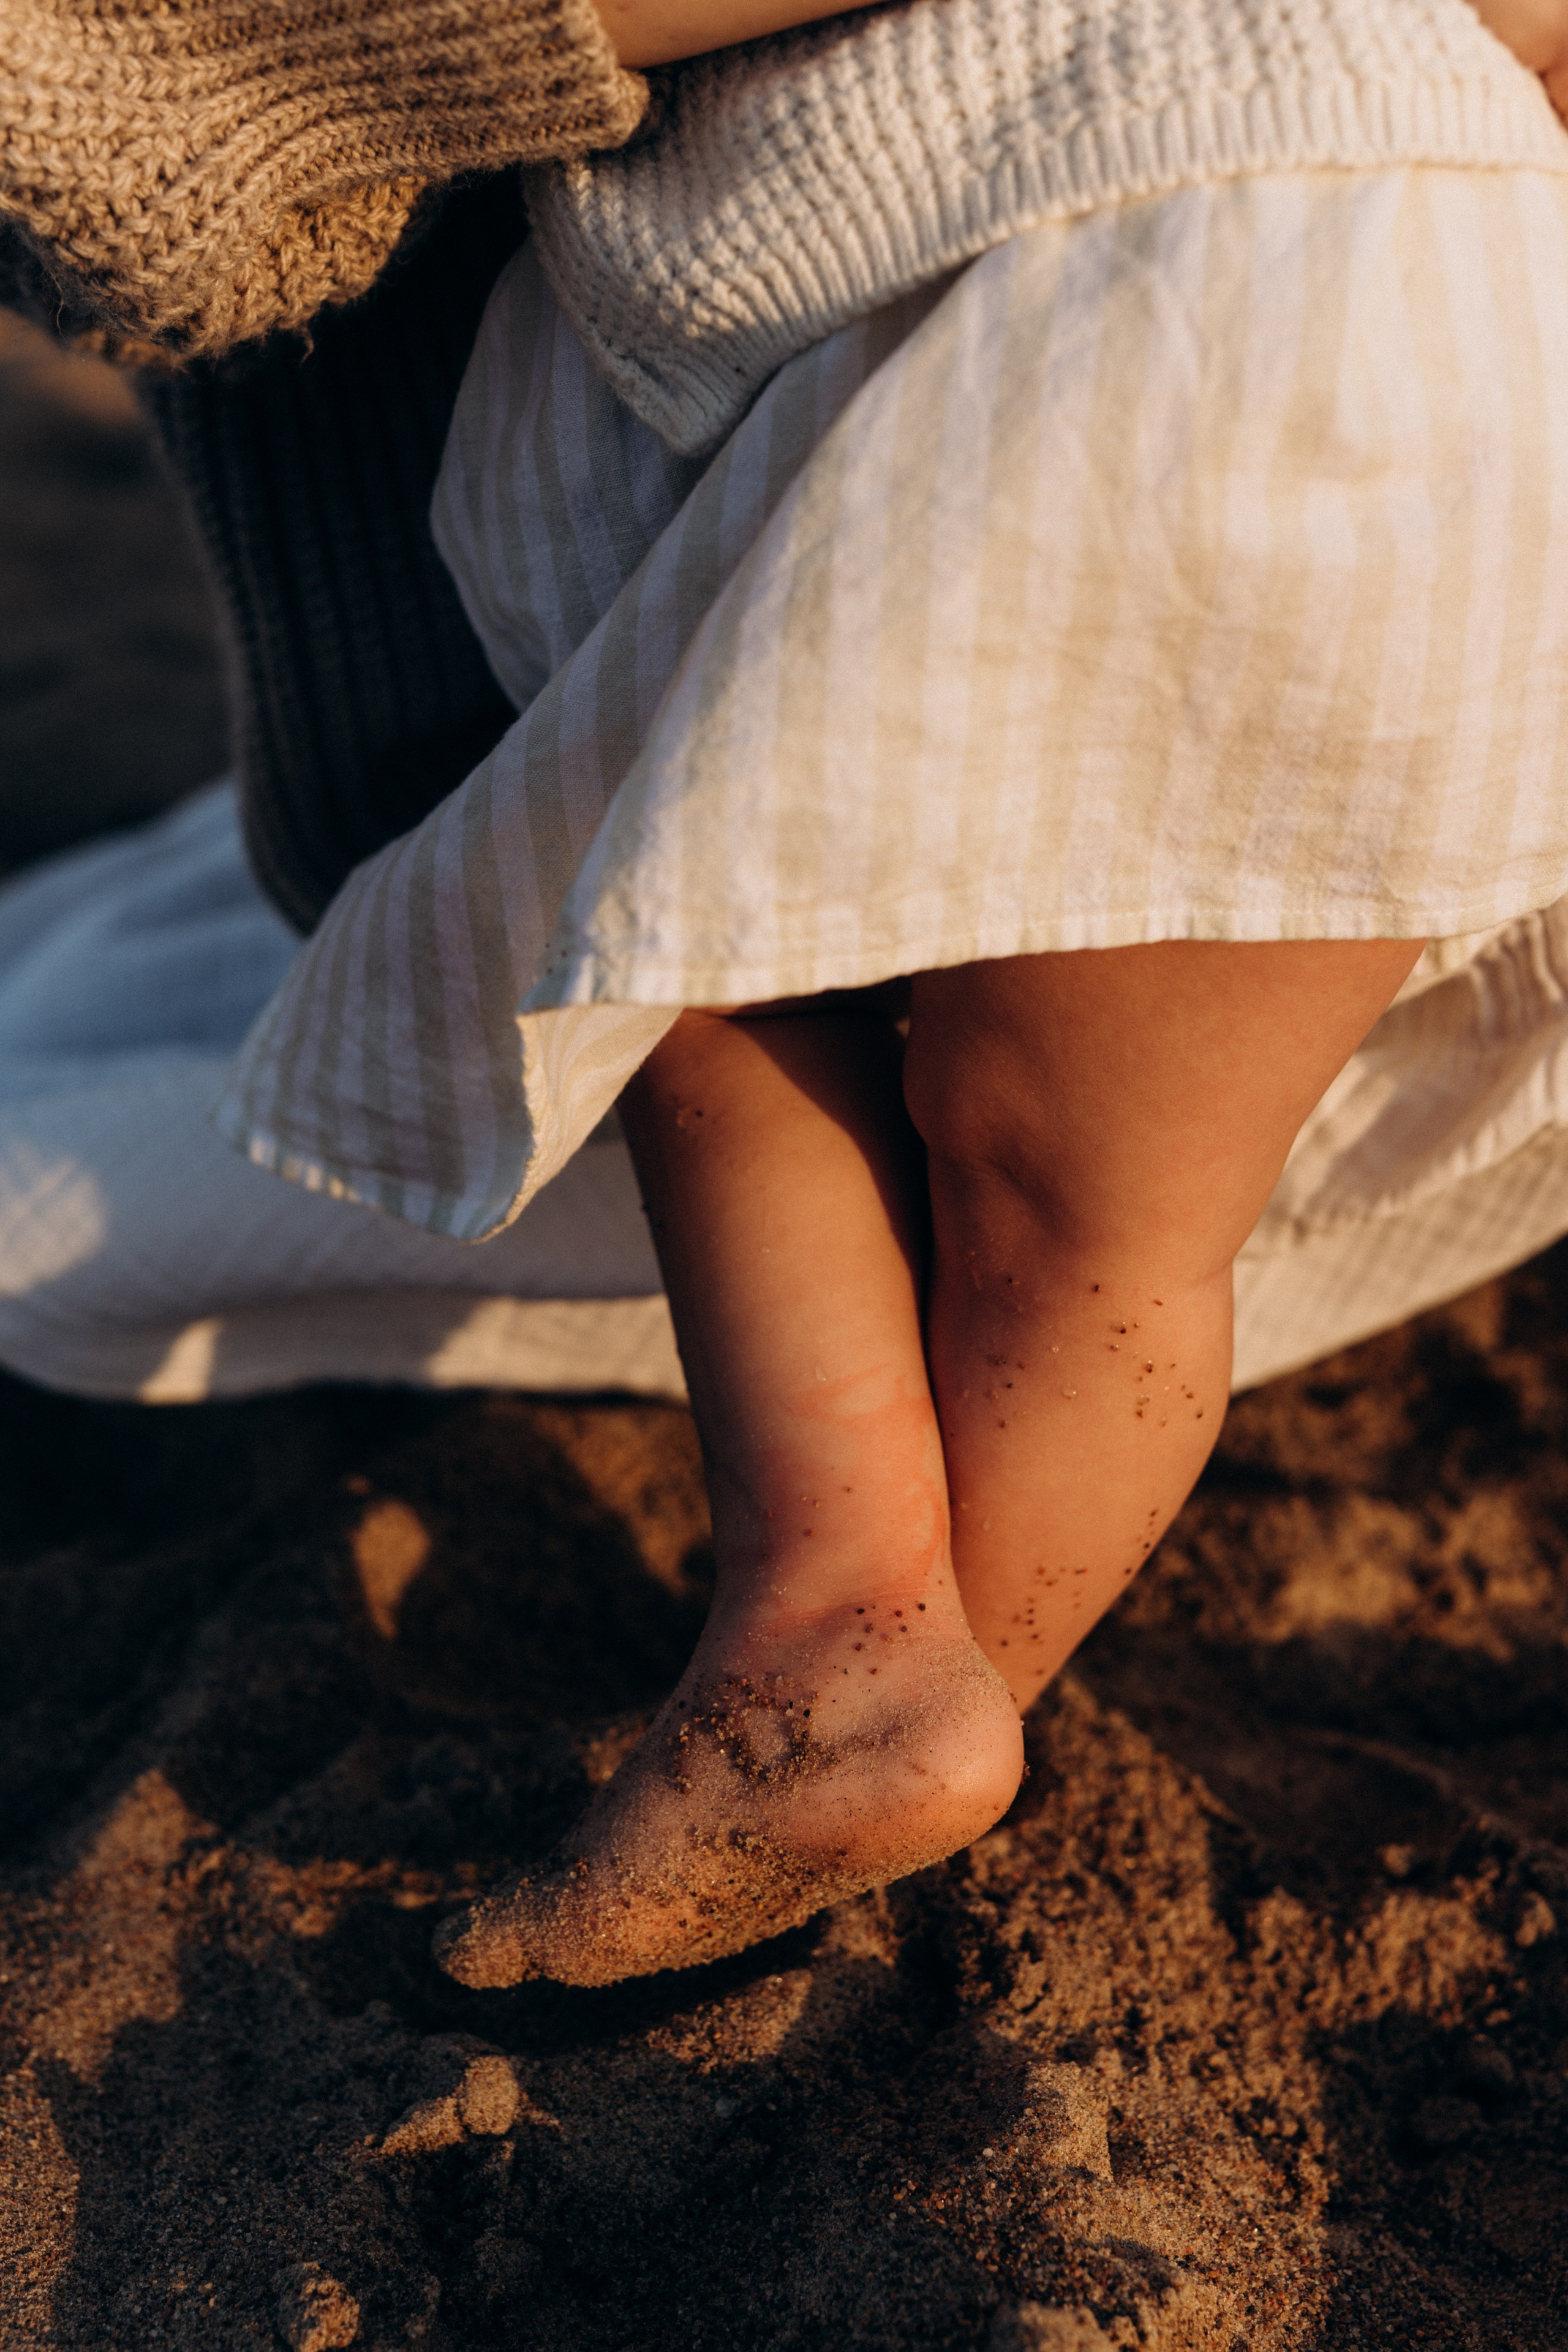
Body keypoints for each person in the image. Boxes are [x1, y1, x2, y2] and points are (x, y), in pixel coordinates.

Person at [6, 0, 1568, 1993]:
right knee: (1105, 1231)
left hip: (978, 292)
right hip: (1443, 309)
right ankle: (918, 1701)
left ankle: (838, 1642)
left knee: (702, 974)